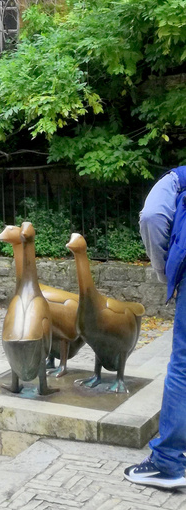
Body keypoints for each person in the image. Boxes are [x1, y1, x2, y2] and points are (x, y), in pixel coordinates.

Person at [124, 167, 186, 489]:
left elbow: (151, 216)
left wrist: (164, 269)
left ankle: (168, 464)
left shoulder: (179, 178)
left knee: (184, 367)